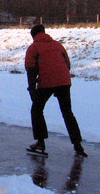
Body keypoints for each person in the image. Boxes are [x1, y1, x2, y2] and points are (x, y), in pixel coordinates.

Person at [25, 24, 87, 157]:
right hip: (64, 81)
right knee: (67, 112)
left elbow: (31, 69)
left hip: (47, 82)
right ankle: (78, 145)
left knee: (37, 110)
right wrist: (60, 80)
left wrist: (32, 89)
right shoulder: (58, 45)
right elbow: (67, 64)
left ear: (33, 35)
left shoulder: (33, 48)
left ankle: (40, 142)